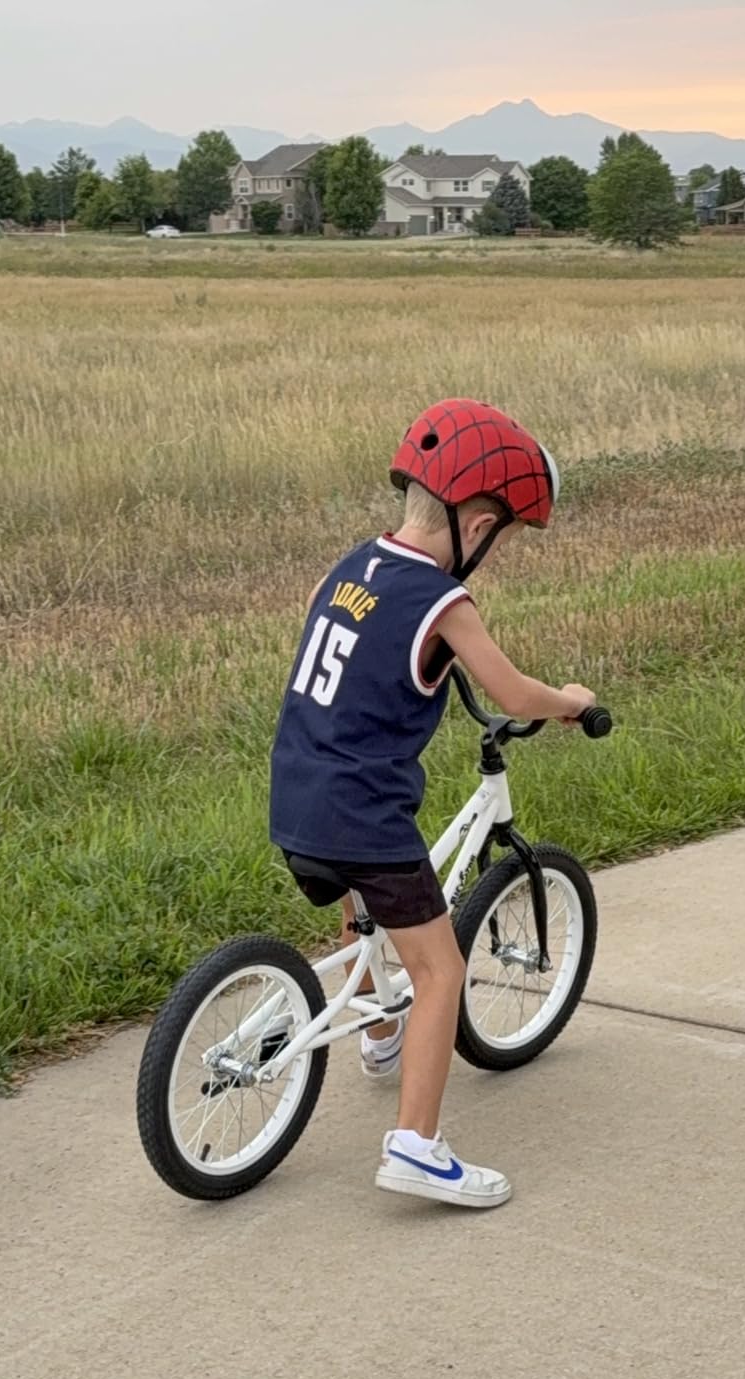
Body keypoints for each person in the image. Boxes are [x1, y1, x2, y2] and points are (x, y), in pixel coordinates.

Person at [270, 398, 595, 1209]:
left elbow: (346, 651)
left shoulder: (348, 567)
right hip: (365, 809)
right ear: (477, 521)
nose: (496, 552)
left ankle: (379, 1033)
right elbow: (509, 687)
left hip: (295, 789)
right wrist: (569, 701)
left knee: (365, 909)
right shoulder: (446, 604)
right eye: (503, 538)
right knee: (440, 965)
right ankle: (416, 1146)